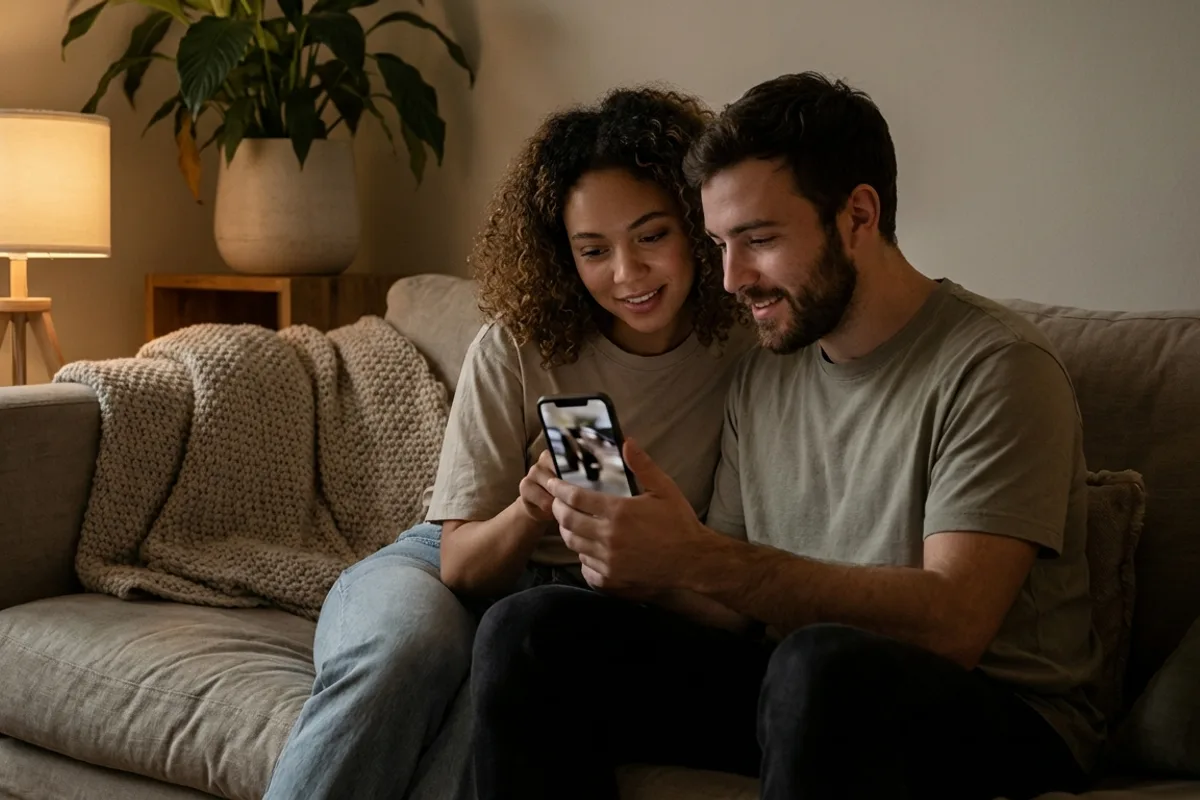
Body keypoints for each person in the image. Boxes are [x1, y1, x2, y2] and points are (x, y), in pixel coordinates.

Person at [469, 72, 1105, 800]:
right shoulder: (764, 374)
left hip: (1003, 717)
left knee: (819, 665)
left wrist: (702, 556)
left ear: (858, 217)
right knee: (535, 630)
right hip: (802, 691)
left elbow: (955, 624)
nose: (733, 277)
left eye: (759, 240)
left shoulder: (996, 368)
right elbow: (735, 609)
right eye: (718, 244)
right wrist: (654, 566)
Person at [263, 86, 752, 800]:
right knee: (408, 649)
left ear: (697, 224)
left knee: (498, 698)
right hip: (449, 563)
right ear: (563, 255)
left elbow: (726, 589)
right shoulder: (520, 344)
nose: (627, 274)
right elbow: (460, 563)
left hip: (575, 607)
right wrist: (529, 510)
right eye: (594, 250)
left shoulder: (743, 351)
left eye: (652, 236)